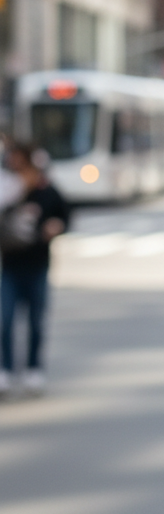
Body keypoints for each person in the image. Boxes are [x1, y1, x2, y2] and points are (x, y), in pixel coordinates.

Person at [0, 144, 71, 396]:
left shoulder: (47, 191)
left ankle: (33, 370)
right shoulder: (7, 190)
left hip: (38, 267)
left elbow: (66, 216)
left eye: (22, 164)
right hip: (9, 267)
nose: (17, 169)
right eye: (12, 165)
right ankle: (5, 371)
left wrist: (56, 226)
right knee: (5, 321)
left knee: (35, 322)